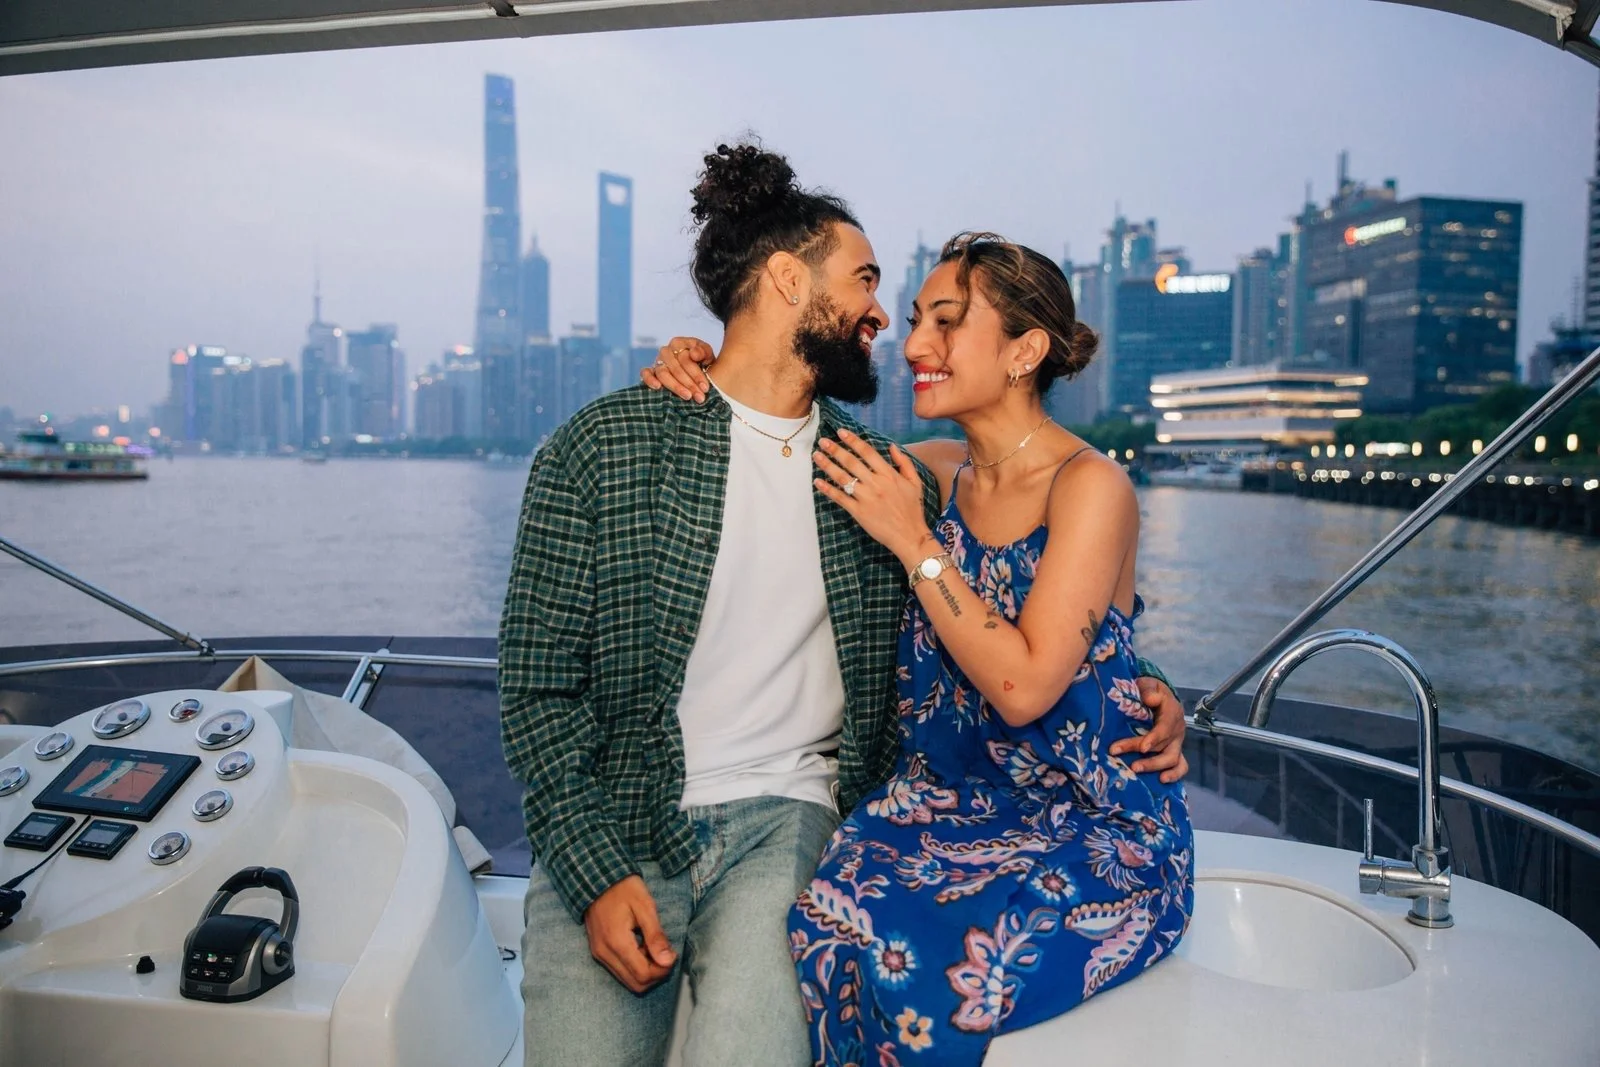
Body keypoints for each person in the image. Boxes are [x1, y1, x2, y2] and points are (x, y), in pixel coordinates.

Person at [500, 143, 1187, 1067]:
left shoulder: (882, 478)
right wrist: (591, 873)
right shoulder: (613, 447)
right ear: (789, 281)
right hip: (625, 816)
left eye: (936, 319)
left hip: (792, 821)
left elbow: (1048, 613)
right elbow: (536, 689)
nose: (894, 327)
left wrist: (1146, 683)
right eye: (869, 284)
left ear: (1024, 350)